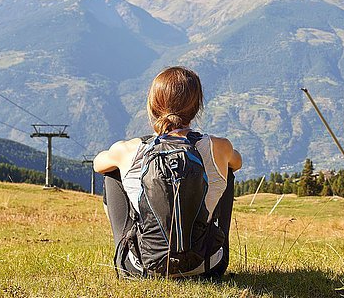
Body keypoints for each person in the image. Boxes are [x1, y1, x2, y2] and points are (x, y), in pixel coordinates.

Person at [93, 66, 242, 277]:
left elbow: (97, 164)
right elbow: (238, 162)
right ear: (197, 106)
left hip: (143, 270)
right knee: (227, 170)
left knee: (112, 173)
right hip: (207, 267)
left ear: (153, 105)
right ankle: (212, 247)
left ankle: (124, 254)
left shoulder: (128, 150)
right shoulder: (219, 147)